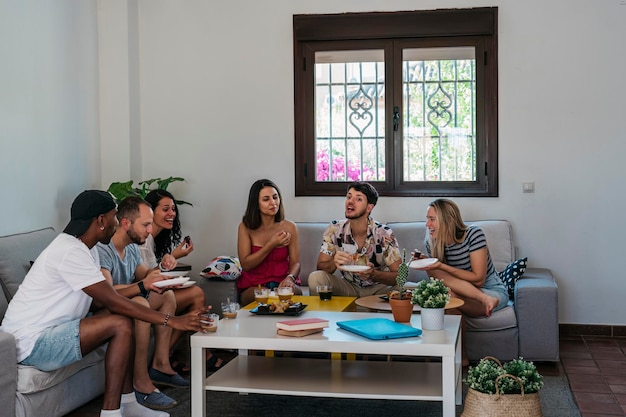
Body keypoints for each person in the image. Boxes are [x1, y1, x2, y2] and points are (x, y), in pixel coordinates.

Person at [0, 190, 203, 417]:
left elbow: (98, 303)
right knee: (120, 322)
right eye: (114, 217)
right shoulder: (69, 251)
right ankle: (111, 413)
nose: (117, 224)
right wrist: (172, 321)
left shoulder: (86, 250)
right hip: (31, 343)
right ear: (100, 221)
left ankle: (128, 403)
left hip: (50, 332)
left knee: (126, 318)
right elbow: (113, 301)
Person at [96, 196, 188, 411]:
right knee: (140, 302)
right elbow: (106, 293)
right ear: (126, 223)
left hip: (126, 302)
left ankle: (161, 364)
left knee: (167, 296)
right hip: (104, 310)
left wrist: (162, 269)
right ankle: (140, 381)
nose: (149, 230)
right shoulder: (103, 249)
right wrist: (144, 284)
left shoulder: (130, 248)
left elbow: (144, 274)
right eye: (145, 224)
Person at [140, 189, 213, 373]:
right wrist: (173, 256)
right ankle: (163, 359)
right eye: (165, 209)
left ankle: (165, 356)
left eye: (173, 209)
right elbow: (145, 276)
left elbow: (152, 272)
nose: (171, 213)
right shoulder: (144, 239)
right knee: (196, 295)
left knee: (195, 293)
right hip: (142, 295)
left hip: (152, 291)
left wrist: (173, 263)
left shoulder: (154, 239)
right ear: (151, 211)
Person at [412, 198, 509, 318]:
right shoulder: (432, 243)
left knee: (447, 297)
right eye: (427, 219)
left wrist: (441, 266)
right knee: (444, 292)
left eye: (432, 219)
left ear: (450, 220)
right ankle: (456, 336)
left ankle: (486, 298)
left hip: (491, 291)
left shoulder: (473, 235)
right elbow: (442, 281)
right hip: (459, 292)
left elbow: (479, 280)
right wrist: (427, 262)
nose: (427, 224)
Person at [308, 181, 402, 298]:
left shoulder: (383, 233)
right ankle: (323, 315)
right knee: (315, 278)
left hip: (379, 289)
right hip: (349, 287)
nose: (350, 201)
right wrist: (334, 262)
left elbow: (400, 276)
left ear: (369, 207)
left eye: (358, 199)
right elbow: (320, 268)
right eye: (349, 197)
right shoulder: (335, 229)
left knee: (407, 287)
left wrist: (373, 274)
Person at [237, 179, 302, 306]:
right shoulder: (245, 227)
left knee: (291, 295)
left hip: (283, 282)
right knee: (264, 296)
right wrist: (271, 244)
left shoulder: (290, 227)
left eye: (275, 197)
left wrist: (290, 278)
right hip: (254, 285)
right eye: (266, 199)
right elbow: (246, 264)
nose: (273, 203)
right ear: (256, 203)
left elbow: (296, 263)